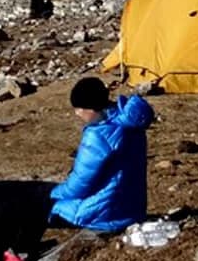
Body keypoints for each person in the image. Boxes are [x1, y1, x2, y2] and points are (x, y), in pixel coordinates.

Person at [48, 77, 154, 233]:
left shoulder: (99, 135)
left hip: (105, 214)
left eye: (79, 108)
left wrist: (50, 194)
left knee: (35, 205)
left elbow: (78, 187)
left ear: (91, 109)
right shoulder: (130, 122)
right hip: (133, 209)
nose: (77, 113)